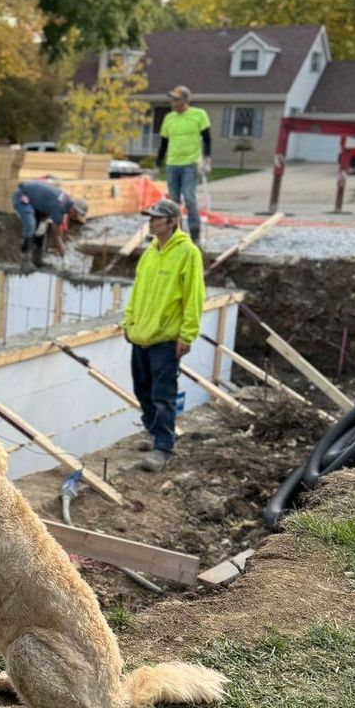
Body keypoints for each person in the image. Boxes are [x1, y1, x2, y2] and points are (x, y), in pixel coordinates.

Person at [121, 197, 204, 473]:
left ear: (172, 221)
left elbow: (194, 297)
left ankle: (163, 446)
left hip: (166, 339)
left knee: (162, 394)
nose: (151, 221)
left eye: (157, 217)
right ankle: (152, 430)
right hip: (141, 335)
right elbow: (137, 292)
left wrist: (187, 335)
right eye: (150, 217)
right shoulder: (150, 253)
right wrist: (128, 321)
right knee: (141, 389)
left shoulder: (188, 253)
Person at [157, 86, 211, 244]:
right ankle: (175, 234)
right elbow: (164, 143)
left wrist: (206, 159)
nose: (173, 102)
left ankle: (195, 235)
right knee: (173, 202)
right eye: (172, 99)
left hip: (190, 163)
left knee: (189, 198)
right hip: (172, 164)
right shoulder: (169, 118)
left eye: (176, 99)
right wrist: (157, 165)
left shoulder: (199, 115)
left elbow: (207, 139)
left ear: (185, 100)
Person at [11, 181, 88, 270]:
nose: (76, 218)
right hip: (22, 196)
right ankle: (24, 261)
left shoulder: (66, 202)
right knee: (30, 224)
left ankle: (37, 260)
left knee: (41, 228)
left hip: (35, 203)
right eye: (76, 215)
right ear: (73, 209)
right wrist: (63, 255)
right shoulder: (59, 208)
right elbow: (57, 236)